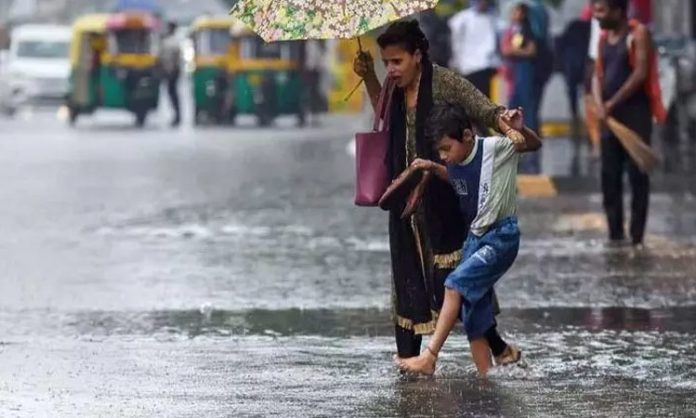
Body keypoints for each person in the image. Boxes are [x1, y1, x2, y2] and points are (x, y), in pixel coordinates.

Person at [353, 20, 520, 364]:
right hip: (404, 196)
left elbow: (483, 109)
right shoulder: (392, 87)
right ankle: (408, 362)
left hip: (444, 195)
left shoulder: (444, 82)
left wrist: (508, 124)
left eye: (396, 62)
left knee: (455, 279)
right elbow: (383, 117)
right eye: (386, 63)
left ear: (418, 55)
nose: (391, 69)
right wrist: (370, 76)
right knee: (406, 279)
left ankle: (498, 347)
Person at [396, 104, 541, 376]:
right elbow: (454, 178)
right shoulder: (455, 160)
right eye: (439, 152)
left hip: (500, 237)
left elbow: (533, 144)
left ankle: (429, 357)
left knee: (454, 285)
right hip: (474, 238)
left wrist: (520, 129)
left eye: (445, 149)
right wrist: (432, 166)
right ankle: (486, 378)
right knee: (473, 313)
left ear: (466, 136)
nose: (444, 156)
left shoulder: (495, 149)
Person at [592, 0, 665, 247]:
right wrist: (600, 103)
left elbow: (640, 72)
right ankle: (615, 235)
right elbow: (597, 74)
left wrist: (611, 103)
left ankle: (637, 237)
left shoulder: (637, 33)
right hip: (609, 120)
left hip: (635, 115)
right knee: (609, 176)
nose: (596, 15)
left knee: (637, 176)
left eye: (601, 11)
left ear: (618, 11)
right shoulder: (603, 38)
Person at [448, 0, 501, 133]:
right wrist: (456, 63)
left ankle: (484, 134)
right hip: (469, 68)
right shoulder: (461, 19)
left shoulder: (494, 19)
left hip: (487, 68)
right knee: (471, 107)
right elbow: (456, 43)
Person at [501, 3, 538, 173]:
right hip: (514, 74)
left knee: (527, 109)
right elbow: (505, 49)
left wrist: (514, 51)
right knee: (512, 108)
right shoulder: (511, 30)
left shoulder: (527, 31)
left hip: (525, 72)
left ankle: (529, 143)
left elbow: (530, 51)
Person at [160, 21, 182, 127]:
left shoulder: (173, 42)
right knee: (171, 94)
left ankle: (177, 116)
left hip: (172, 72)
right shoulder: (167, 40)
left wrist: (173, 71)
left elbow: (176, 59)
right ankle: (176, 115)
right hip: (168, 71)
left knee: (173, 94)